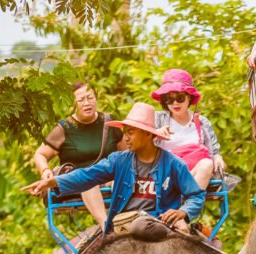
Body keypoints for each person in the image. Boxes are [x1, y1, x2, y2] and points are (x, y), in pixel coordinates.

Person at [23, 102, 205, 239]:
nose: (125, 138)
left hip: (157, 223)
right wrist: (53, 181)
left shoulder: (174, 164)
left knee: (143, 226)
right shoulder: (119, 160)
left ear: (148, 134)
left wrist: (183, 212)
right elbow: (87, 175)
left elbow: (196, 195)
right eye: (124, 133)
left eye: (130, 133)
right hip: (125, 223)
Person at [32, 80, 118, 225]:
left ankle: (124, 221)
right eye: (81, 100)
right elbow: (40, 154)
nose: (87, 103)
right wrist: (45, 170)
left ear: (96, 99)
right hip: (79, 182)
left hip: (108, 179)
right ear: (73, 104)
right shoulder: (65, 127)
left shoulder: (109, 122)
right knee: (88, 180)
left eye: (90, 98)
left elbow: (128, 152)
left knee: (123, 179)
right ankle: (106, 226)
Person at [151, 68, 224, 189]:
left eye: (180, 98)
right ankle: (187, 198)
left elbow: (215, 152)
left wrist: (218, 158)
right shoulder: (157, 119)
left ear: (189, 97)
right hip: (166, 177)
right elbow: (140, 146)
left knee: (207, 164)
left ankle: (187, 199)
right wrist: (155, 134)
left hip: (196, 175)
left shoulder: (202, 122)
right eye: (169, 99)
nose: (175, 103)